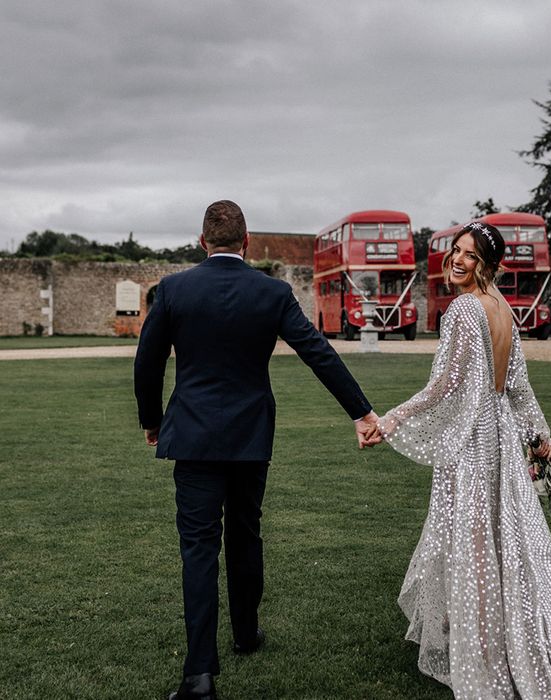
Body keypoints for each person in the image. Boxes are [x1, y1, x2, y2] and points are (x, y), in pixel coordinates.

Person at [134, 200, 381, 700]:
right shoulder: (271, 291)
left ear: (202, 242)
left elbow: (148, 360)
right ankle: (246, 634)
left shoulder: (175, 289)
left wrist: (152, 421)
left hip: (194, 437)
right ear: (247, 243)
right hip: (249, 436)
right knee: (246, 534)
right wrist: (361, 412)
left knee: (198, 548)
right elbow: (317, 351)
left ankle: (199, 675)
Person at [377, 221, 551, 699]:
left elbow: (443, 387)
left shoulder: (463, 310)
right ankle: (490, 637)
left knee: (471, 543)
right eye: (456, 250)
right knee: (498, 542)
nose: (456, 259)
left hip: (472, 441)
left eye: (468, 255)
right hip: (501, 436)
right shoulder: (504, 310)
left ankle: (482, 653)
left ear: (486, 266)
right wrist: (542, 441)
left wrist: (391, 419)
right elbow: (519, 390)